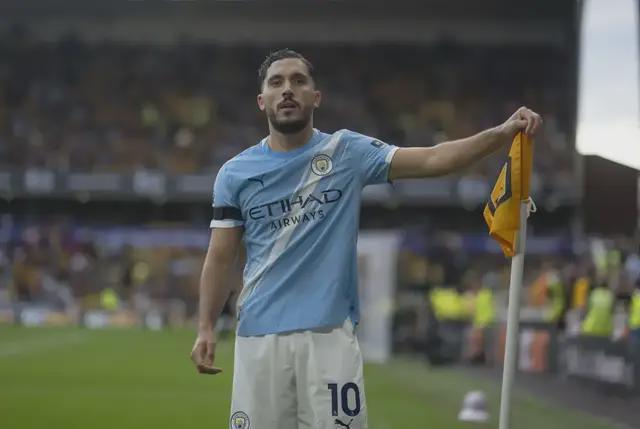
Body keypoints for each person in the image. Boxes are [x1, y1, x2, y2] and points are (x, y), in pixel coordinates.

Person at [189, 49, 542, 429]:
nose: (287, 89)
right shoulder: (235, 174)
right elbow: (220, 257)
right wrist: (206, 325)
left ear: (316, 97)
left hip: (330, 337)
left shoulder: (346, 151)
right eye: (276, 82)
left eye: (298, 81)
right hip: (259, 336)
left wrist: (501, 133)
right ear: (262, 101)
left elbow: (433, 159)